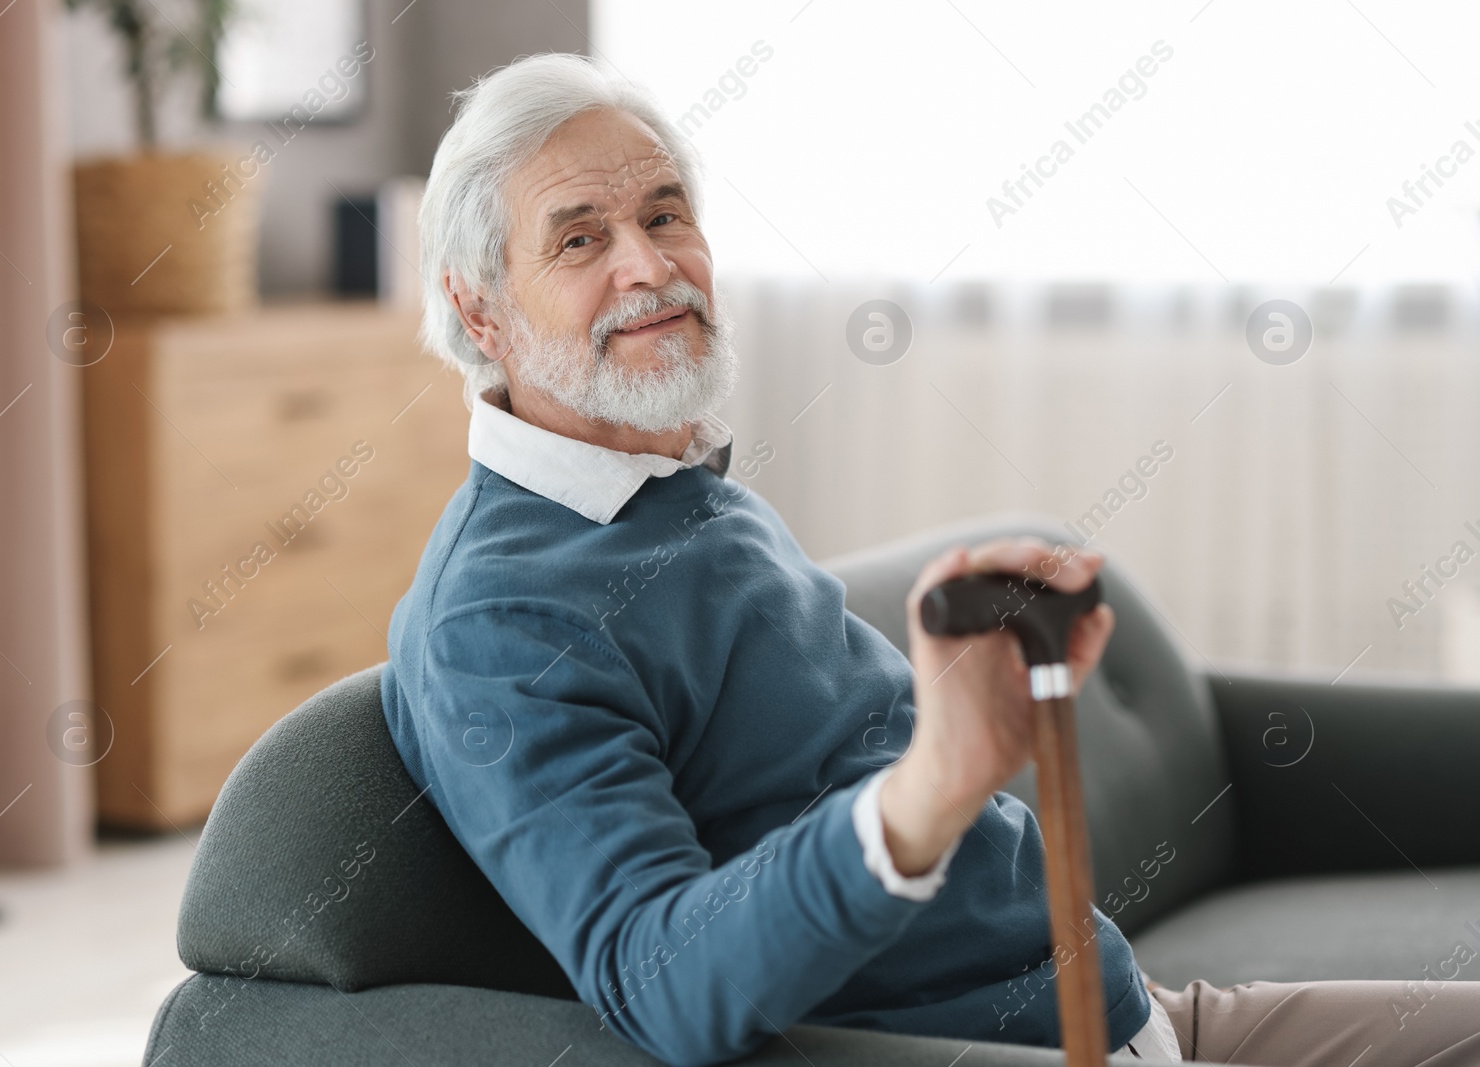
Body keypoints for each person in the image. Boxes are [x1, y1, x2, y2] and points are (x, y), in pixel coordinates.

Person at [380, 52, 1480, 1067]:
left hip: (1139, 1012)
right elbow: (661, 984)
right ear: (478, 309)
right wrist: (929, 789)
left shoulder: (671, 495)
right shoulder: (497, 618)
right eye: (579, 239)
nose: (650, 265)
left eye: (666, 214)